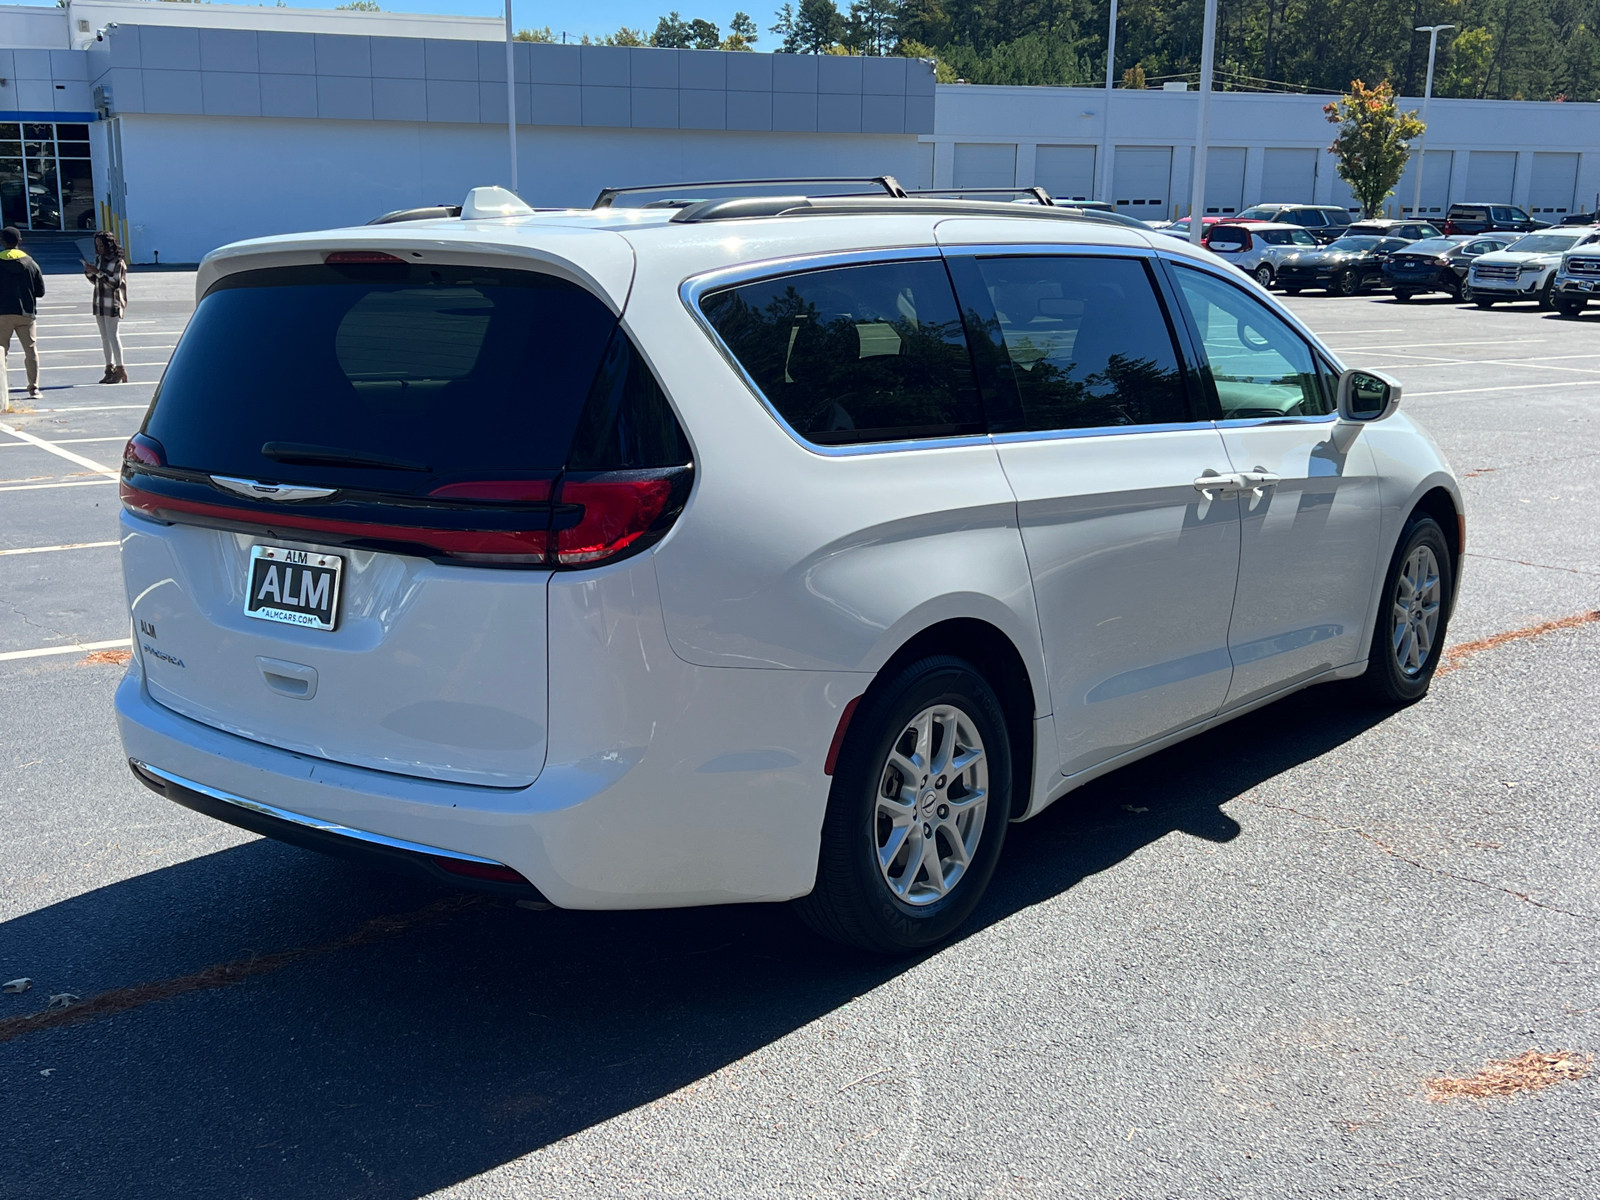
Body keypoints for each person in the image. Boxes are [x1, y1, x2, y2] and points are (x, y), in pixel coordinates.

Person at [0, 226, 44, 399]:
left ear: (3, 242)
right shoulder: (30, 263)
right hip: (26, 313)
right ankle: (34, 387)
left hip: (2, 312)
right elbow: (40, 291)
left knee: (2, 350)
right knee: (30, 350)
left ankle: (2, 389)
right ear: (19, 241)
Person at [85, 231, 128, 384]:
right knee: (104, 337)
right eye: (97, 246)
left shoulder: (118, 262)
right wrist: (90, 272)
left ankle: (120, 368)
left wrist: (98, 273)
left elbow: (115, 283)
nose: (99, 249)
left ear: (109, 245)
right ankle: (108, 368)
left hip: (112, 302)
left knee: (112, 335)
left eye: (102, 245)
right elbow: (96, 281)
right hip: (99, 301)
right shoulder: (99, 259)